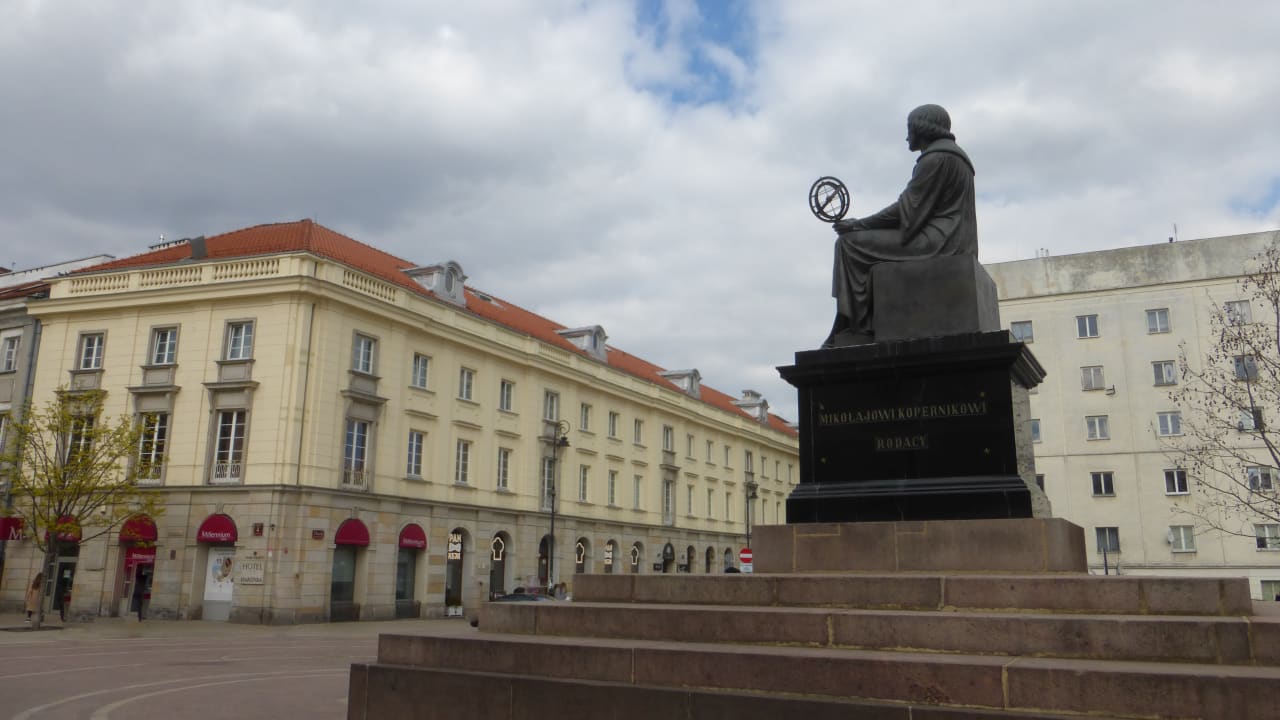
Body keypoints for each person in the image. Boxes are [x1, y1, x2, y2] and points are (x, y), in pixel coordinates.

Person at [825, 104, 978, 347]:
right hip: (952, 239)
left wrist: (858, 225)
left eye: (910, 128)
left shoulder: (935, 159)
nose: (907, 135)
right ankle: (852, 324)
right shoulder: (955, 157)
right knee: (856, 241)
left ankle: (857, 327)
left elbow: (905, 209)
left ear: (922, 127)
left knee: (849, 244)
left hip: (937, 242)